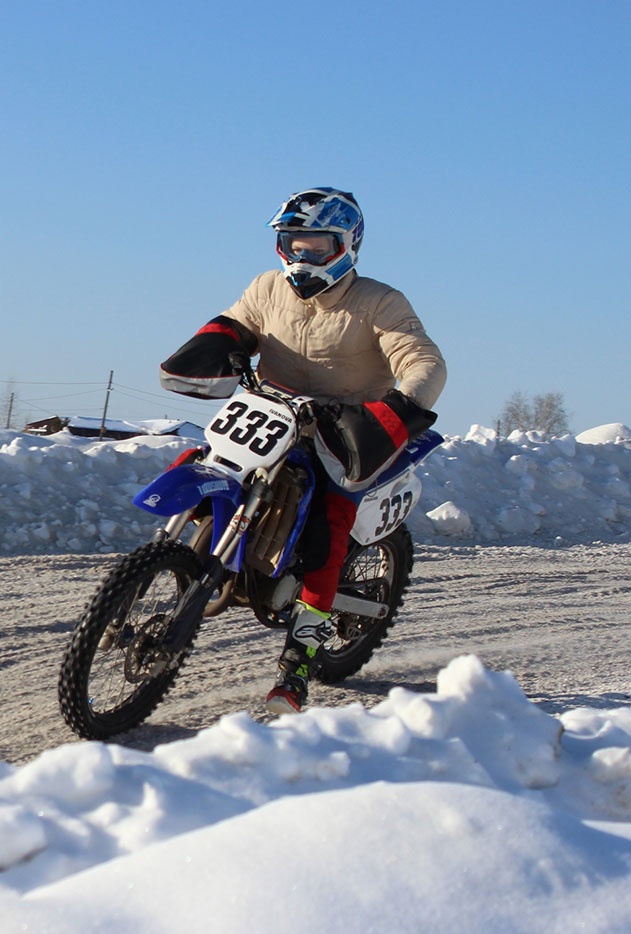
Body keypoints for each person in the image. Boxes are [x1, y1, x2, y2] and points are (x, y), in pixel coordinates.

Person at [160, 187, 446, 715]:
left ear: (347, 245)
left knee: (326, 532)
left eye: (317, 247)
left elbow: (420, 357)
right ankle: (169, 568)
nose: (302, 257)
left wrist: (404, 401)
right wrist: (209, 348)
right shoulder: (268, 287)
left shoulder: (381, 302)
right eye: (293, 244)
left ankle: (297, 664)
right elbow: (236, 323)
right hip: (268, 414)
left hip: (340, 431)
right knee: (198, 466)